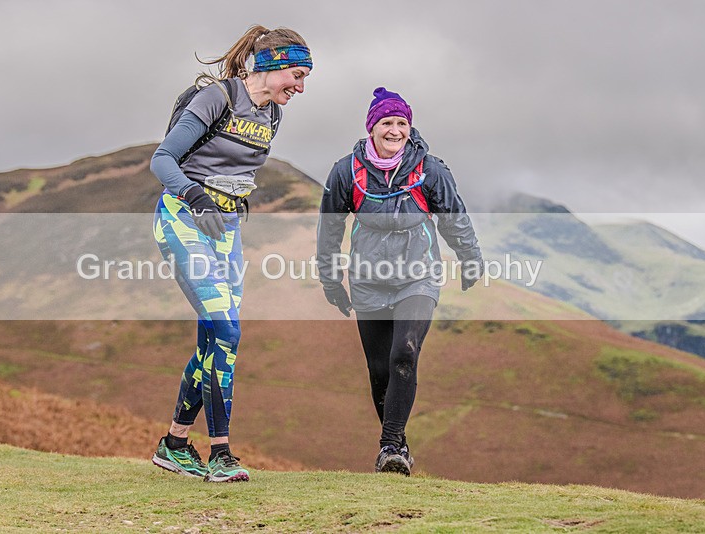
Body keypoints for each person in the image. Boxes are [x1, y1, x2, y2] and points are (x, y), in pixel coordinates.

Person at [150, 25, 312, 482]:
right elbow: (162, 159)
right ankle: (221, 453)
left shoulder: (272, 115)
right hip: (185, 217)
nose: (300, 88)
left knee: (214, 337)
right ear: (273, 65)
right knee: (227, 330)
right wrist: (197, 197)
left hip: (226, 229)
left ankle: (174, 445)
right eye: (297, 76)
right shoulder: (217, 98)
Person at [316, 87, 483, 476]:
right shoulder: (346, 171)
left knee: (404, 353)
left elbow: (454, 217)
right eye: (387, 123)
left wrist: (470, 259)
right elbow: (329, 229)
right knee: (379, 371)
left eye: (402, 123)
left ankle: (389, 447)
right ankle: (399, 443)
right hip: (368, 280)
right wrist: (330, 281)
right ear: (372, 127)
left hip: (418, 276)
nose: (395, 130)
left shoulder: (430, 171)